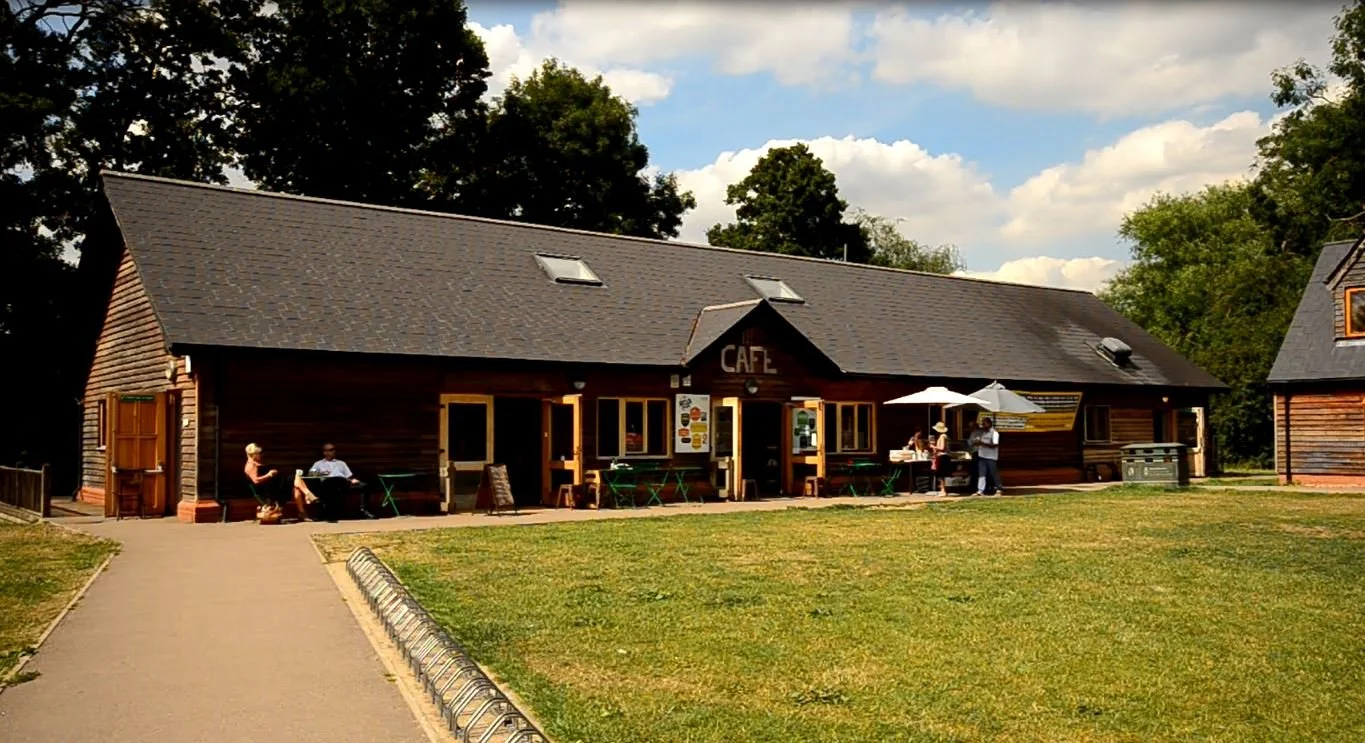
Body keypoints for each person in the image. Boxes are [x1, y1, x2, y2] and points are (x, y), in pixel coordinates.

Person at [244, 443, 313, 521]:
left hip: (275, 485)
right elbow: (256, 480)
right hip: (269, 490)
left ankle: (302, 512)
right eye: (259, 453)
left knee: (296, 487)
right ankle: (308, 494)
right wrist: (269, 474)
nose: (261, 455)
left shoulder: (256, 463)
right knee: (295, 477)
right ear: (254, 454)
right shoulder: (251, 466)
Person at [310, 442, 365, 521]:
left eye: (330, 450)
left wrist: (352, 480)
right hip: (326, 483)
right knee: (331, 486)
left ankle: (363, 511)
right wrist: (323, 473)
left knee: (362, 485)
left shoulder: (341, 463)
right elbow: (311, 474)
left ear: (334, 451)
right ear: (323, 452)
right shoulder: (318, 464)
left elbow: (348, 476)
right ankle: (332, 515)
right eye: (326, 450)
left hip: (341, 482)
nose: (328, 452)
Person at [976, 417, 1002, 496]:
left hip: (991, 457)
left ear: (989, 423)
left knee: (993, 473)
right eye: (982, 423)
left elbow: (995, 445)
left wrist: (983, 444)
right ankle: (980, 490)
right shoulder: (983, 433)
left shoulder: (994, 433)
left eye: (984, 423)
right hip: (982, 456)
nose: (983, 425)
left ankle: (999, 488)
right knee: (982, 474)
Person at [930, 421, 952, 496]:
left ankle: (943, 490)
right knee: (941, 474)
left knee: (941, 474)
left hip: (943, 456)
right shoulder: (944, 436)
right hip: (943, 456)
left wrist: (934, 447)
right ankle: (942, 489)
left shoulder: (942, 436)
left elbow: (942, 447)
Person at [965, 420, 984, 490]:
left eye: (971, 427)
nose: (970, 428)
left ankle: (975, 486)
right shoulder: (979, 432)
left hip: (978, 453)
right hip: (979, 453)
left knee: (975, 470)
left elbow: (971, 443)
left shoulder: (976, 433)